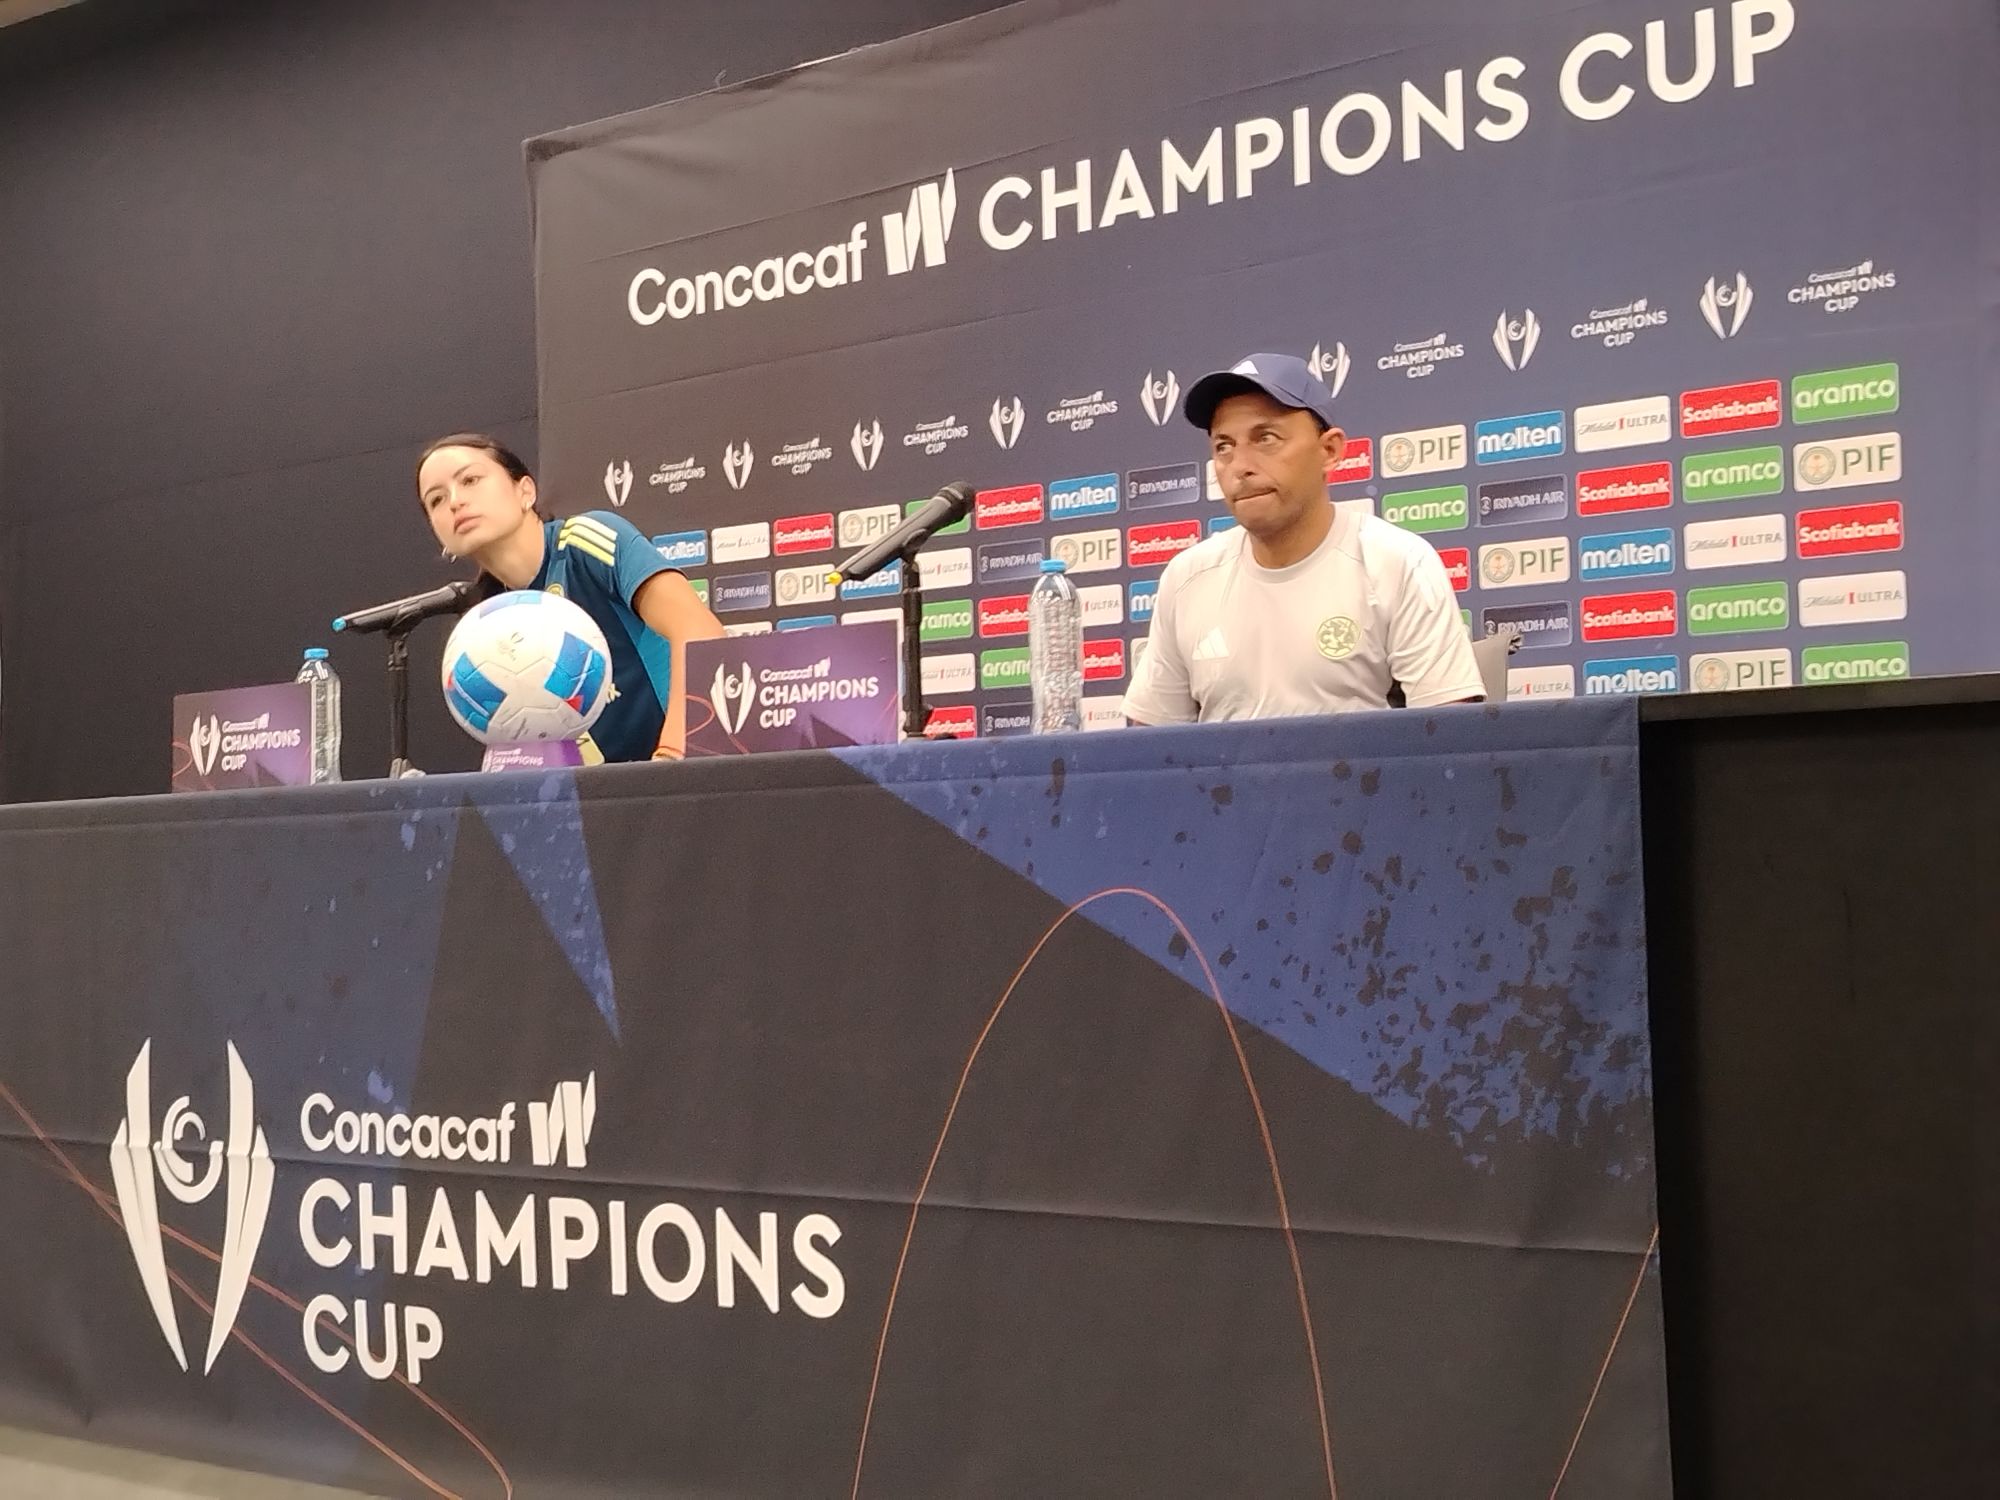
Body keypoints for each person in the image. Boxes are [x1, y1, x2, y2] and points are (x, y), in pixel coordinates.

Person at [1122, 353, 1483, 725]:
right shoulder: (1186, 577)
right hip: (1222, 769)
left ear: (1329, 451)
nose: (1239, 466)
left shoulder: (1398, 562)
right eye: (1223, 447)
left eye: (1266, 438)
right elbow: (1150, 739)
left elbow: (1448, 738)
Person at [416, 433, 724, 762]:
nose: (455, 502)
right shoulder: (486, 625)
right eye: (436, 500)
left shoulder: (586, 542)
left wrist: (671, 761)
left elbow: (700, 634)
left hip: (682, 773)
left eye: (470, 480)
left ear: (525, 491)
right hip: (593, 793)